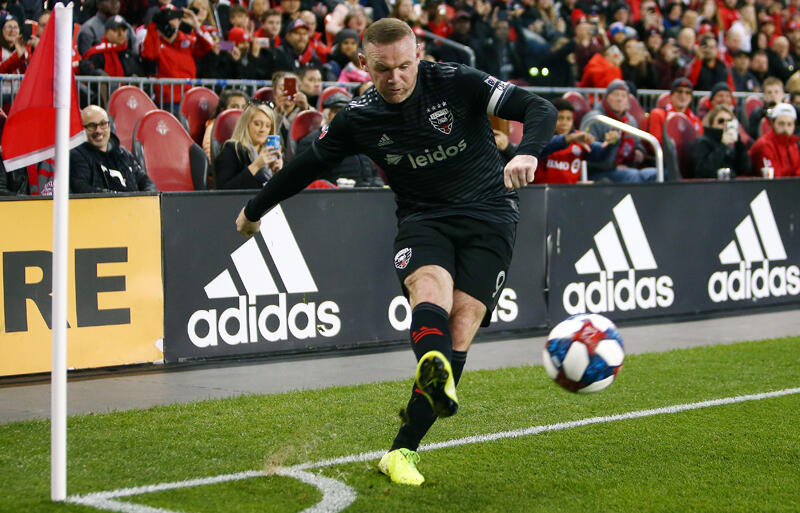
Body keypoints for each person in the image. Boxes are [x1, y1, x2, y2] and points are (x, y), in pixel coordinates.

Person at [234, 17, 556, 486]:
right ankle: (432, 371)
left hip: (490, 213)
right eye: (383, 69)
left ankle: (401, 450)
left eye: (404, 66)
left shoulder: (457, 81)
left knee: (462, 322)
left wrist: (529, 151)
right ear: (363, 64)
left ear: (418, 55)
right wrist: (254, 209)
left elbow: (537, 106)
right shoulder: (359, 117)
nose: (395, 78)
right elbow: (305, 166)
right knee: (430, 288)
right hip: (424, 218)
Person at [296, 91, 384, 187]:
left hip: (364, 193)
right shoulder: (310, 142)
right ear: (327, 115)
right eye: (336, 112)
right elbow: (308, 179)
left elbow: (374, 175)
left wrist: (376, 187)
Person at [580, 79, 658, 182]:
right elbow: (588, 154)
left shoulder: (630, 120)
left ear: (628, 100)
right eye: (616, 95)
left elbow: (638, 143)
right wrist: (614, 165)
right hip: (600, 172)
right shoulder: (595, 119)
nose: (619, 99)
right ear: (606, 97)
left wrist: (639, 152)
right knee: (635, 177)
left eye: (623, 96)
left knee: (656, 174)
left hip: (628, 168)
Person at [70, 105, 157, 193]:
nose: (98, 130)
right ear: (82, 129)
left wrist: (149, 195)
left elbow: (146, 181)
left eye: (103, 124)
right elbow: (80, 187)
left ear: (109, 126)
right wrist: (113, 197)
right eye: (91, 126)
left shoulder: (123, 153)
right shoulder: (77, 155)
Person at [534, 98, 618, 184]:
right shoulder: (539, 137)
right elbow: (545, 146)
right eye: (560, 118)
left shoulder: (578, 138)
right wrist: (567, 139)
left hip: (570, 191)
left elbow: (600, 155)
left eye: (568, 119)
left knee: (605, 182)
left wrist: (611, 143)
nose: (564, 123)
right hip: (540, 190)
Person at [213, 102, 284, 189]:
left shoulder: (271, 153)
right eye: (257, 124)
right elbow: (223, 190)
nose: (263, 129)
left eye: (268, 126)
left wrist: (278, 172)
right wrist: (255, 166)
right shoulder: (231, 150)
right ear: (246, 125)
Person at [691, 104, 750, 179]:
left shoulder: (733, 143)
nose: (725, 124)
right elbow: (704, 171)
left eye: (729, 121)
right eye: (721, 121)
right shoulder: (702, 142)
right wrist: (723, 146)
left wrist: (739, 143)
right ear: (711, 123)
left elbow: (745, 168)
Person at [748, 103, 800, 178]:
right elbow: (773, 178)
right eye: (781, 124)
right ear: (772, 123)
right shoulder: (764, 144)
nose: (785, 128)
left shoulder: (793, 144)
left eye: (789, 124)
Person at [647, 77, 703, 145]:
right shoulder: (658, 114)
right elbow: (655, 144)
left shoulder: (696, 121)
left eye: (687, 93)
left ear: (691, 98)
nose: (683, 96)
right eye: (679, 91)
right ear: (671, 95)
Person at [202, 88, 248, 162]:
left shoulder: (250, 126)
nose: (239, 111)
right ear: (223, 110)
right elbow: (210, 155)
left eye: (243, 107)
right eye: (234, 107)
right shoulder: (213, 127)